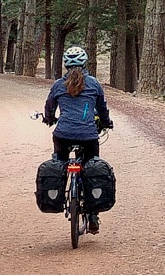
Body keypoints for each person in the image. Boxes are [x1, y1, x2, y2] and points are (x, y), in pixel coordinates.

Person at [42, 45, 113, 233]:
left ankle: (60, 188)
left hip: (62, 134)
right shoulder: (93, 84)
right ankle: (93, 215)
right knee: (92, 167)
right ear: (85, 63)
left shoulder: (58, 85)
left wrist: (49, 119)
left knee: (60, 162)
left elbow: (49, 108)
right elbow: (102, 109)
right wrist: (106, 123)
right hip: (88, 135)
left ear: (65, 65)